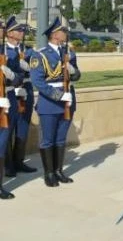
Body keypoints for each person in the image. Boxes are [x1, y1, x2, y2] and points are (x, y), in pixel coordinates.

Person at [30, 17, 81, 187]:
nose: (66, 34)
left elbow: (78, 75)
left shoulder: (69, 53)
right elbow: (38, 81)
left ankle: (59, 171)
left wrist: (72, 71)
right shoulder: (41, 54)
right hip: (50, 102)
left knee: (61, 139)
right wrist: (58, 95)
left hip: (68, 100)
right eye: (63, 31)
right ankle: (49, 173)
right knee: (48, 139)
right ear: (54, 35)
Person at [3, 16, 37, 178]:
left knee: (23, 127)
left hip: (26, 91)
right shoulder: (4, 51)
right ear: (9, 33)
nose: (22, 32)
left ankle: (19, 161)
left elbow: (36, 68)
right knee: (7, 129)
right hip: (10, 93)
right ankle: (8, 166)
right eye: (18, 30)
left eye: (22, 30)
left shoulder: (28, 50)